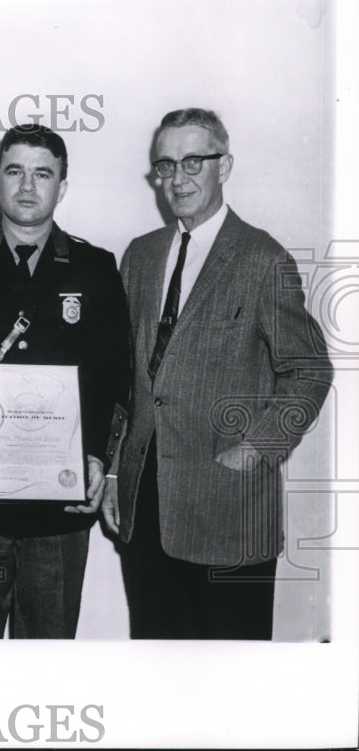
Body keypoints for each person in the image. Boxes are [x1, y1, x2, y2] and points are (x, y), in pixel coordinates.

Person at [102, 108, 333, 640]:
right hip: (148, 505)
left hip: (230, 509)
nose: (177, 179)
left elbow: (309, 371)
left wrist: (256, 449)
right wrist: (116, 472)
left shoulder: (262, 258)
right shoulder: (140, 256)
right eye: (165, 165)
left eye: (192, 162)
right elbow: (127, 379)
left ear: (224, 165)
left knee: (232, 685)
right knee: (159, 669)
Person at [0, 124, 131, 638]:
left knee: (49, 670)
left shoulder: (95, 267)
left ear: (62, 187)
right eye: (14, 171)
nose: (27, 186)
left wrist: (100, 462)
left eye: (44, 174)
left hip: (57, 513)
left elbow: (114, 378)